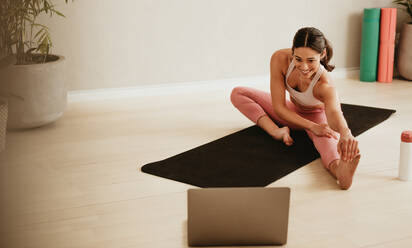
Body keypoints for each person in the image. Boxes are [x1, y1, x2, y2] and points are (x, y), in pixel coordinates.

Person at [230, 27, 360, 190]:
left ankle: (339, 170)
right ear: (292, 52)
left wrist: (345, 133)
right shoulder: (280, 59)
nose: (303, 66)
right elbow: (279, 107)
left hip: (316, 118)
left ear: (323, 54)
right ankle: (277, 131)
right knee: (238, 93)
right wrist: (311, 127)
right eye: (298, 59)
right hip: (290, 113)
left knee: (326, 142)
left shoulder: (325, 85)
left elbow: (334, 112)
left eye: (311, 60)